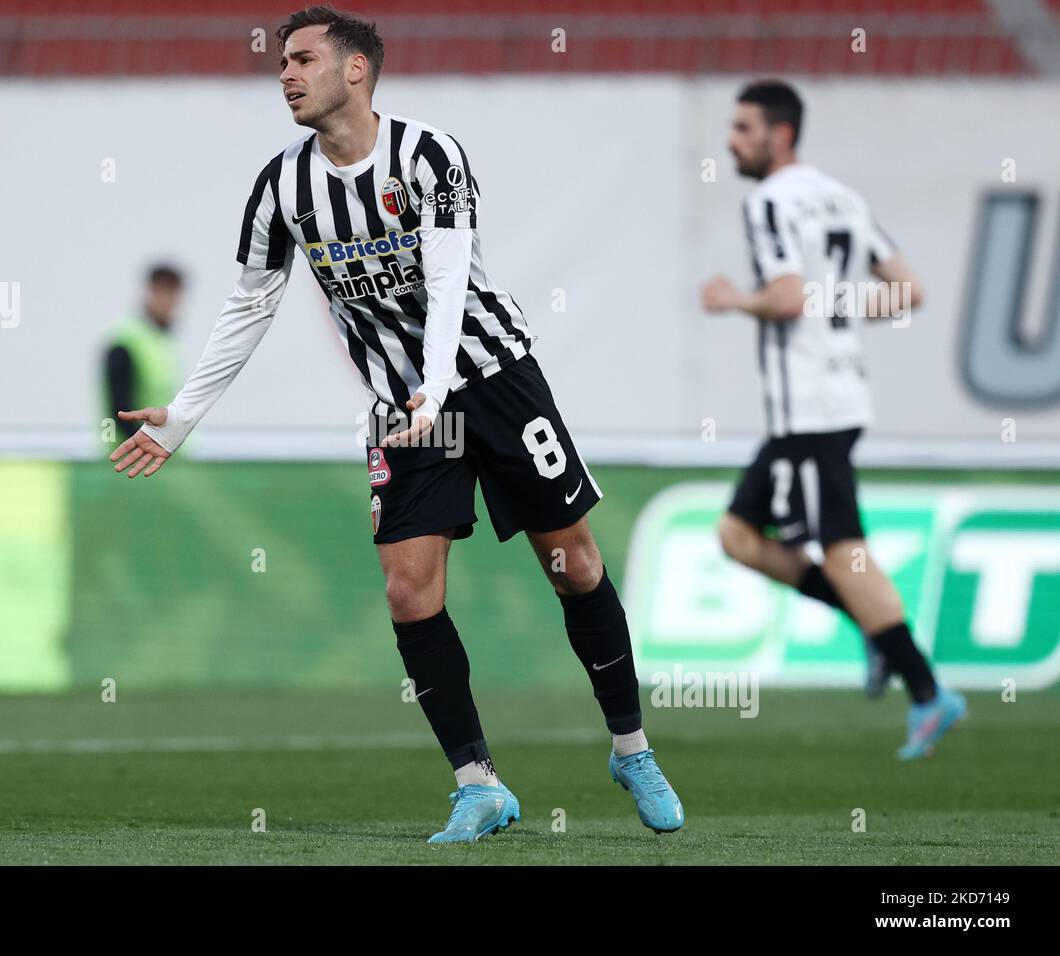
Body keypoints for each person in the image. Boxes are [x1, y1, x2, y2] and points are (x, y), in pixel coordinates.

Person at [108, 5, 684, 841]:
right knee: (409, 592)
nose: (285, 74)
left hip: (492, 380)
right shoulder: (282, 187)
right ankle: (478, 782)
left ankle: (631, 748)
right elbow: (249, 305)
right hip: (400, 407)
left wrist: (440, 382)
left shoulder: (429, 155)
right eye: (281, 62)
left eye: (303, 59)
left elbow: (450, 272)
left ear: (356, 71)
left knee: (574, 563)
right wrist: (184, 415)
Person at [700, 79, 966, 760]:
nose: (731, 142)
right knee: (735, 534)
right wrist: (834, 305)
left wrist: (736, 300)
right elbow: (908, 290)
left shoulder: (767, 202)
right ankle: (883, 638)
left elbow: (787, 300)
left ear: (779, 135)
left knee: (845, 552)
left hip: (809, 407)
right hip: (835, 396)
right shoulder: (841, 196)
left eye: (743, 128)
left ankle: (927, 689)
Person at [104, 264, 184, 440]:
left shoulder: (163, 341)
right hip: (132, 454)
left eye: (174, 294)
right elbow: (119, 409)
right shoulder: (126, 341)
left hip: (162, 454)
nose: (172, 302)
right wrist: (147, 443)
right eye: (165, 293)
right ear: (151, 292)